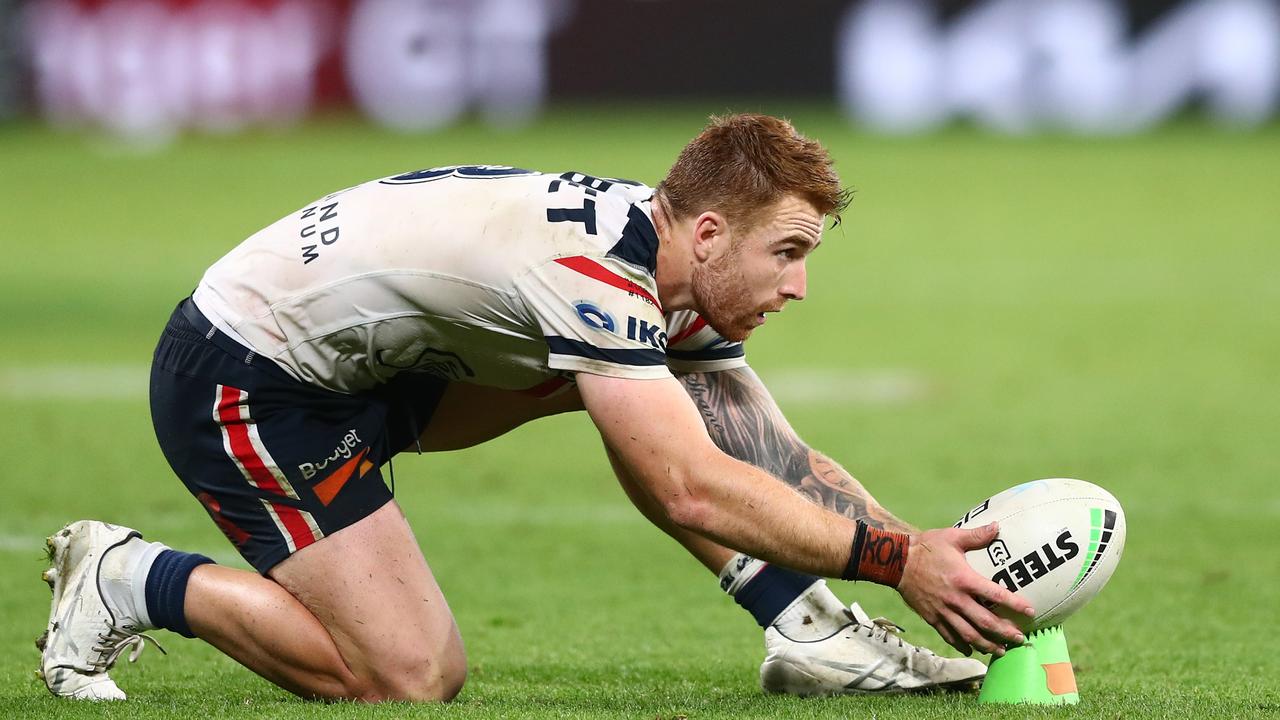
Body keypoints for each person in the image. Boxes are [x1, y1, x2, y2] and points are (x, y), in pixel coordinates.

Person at [37, 114, 1032, 702]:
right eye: (789, 253)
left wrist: (921, 552)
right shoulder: (594, 277)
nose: (800, 286)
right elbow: (685, 489)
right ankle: (130, 577)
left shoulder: (662, 267)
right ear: (714, 231)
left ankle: (809, 633)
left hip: (379, 365)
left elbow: (771, 457)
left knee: (683, 416)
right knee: (408, 678)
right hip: (249, 379)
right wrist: (897, 559)